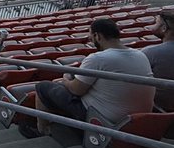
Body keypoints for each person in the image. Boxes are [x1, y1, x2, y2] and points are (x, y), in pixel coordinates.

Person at [24, 18, 153, 137]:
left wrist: (65, 80)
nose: (90, 38)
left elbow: (76, 90)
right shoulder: (140, 55)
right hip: (139, 118)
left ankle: (42, 131)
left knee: (42, 87)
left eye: (91, 35)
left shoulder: (97, 58)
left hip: (105, 117)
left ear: (98, 36)